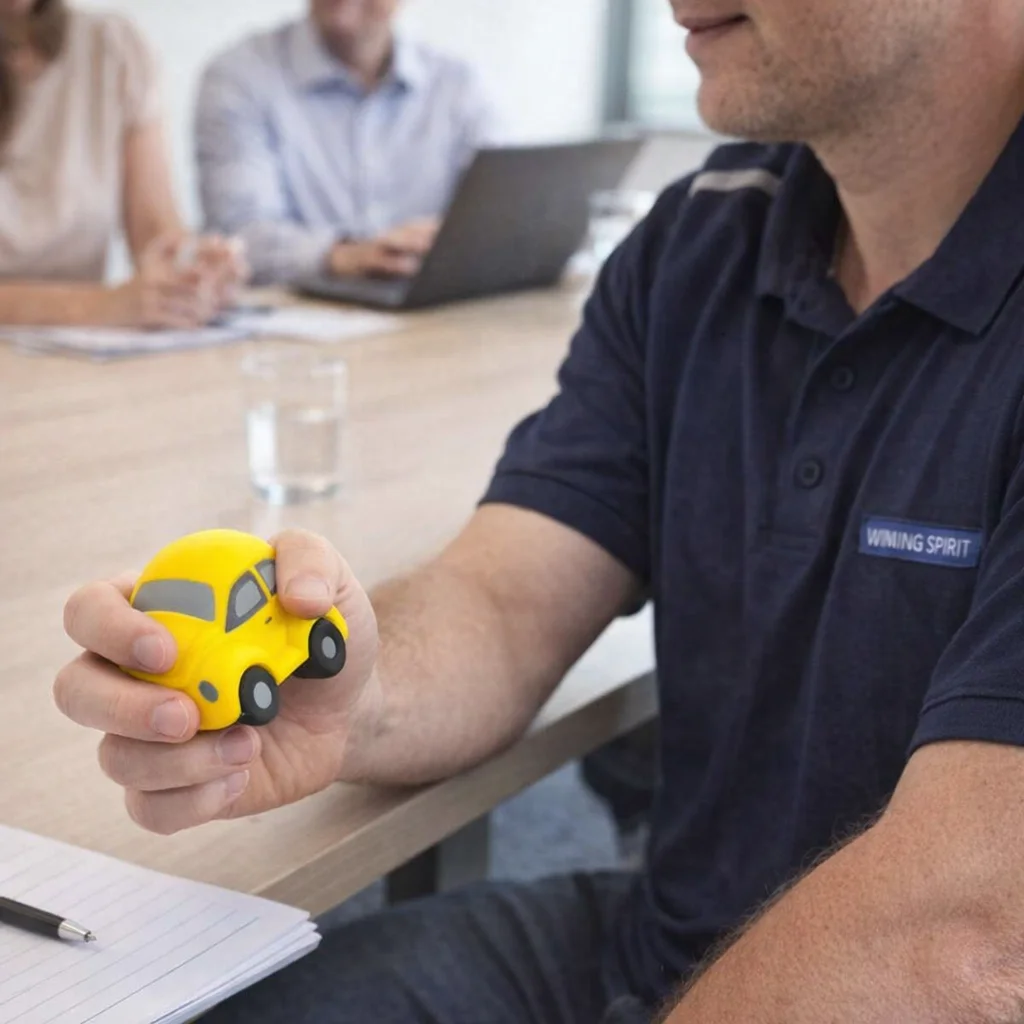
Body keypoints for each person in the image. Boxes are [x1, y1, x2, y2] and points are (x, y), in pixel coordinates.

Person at [52, 0, 1024, 1020]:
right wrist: (340, 682)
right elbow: (505, 599)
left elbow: (963, 945)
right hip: (668, 943)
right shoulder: (701, 235)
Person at [195, 0, 498, 287]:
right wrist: (344, 255)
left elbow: (502, 214)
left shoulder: (459, 84)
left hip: (439, 318)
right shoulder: (240, 77)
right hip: (296, 323)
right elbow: (236, 238)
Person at [0, 0, 246, 329]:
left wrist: (192, 272)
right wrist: (94, 307)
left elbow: (155, 231)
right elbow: (108, 306)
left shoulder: (112, 48)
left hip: (73, 363)